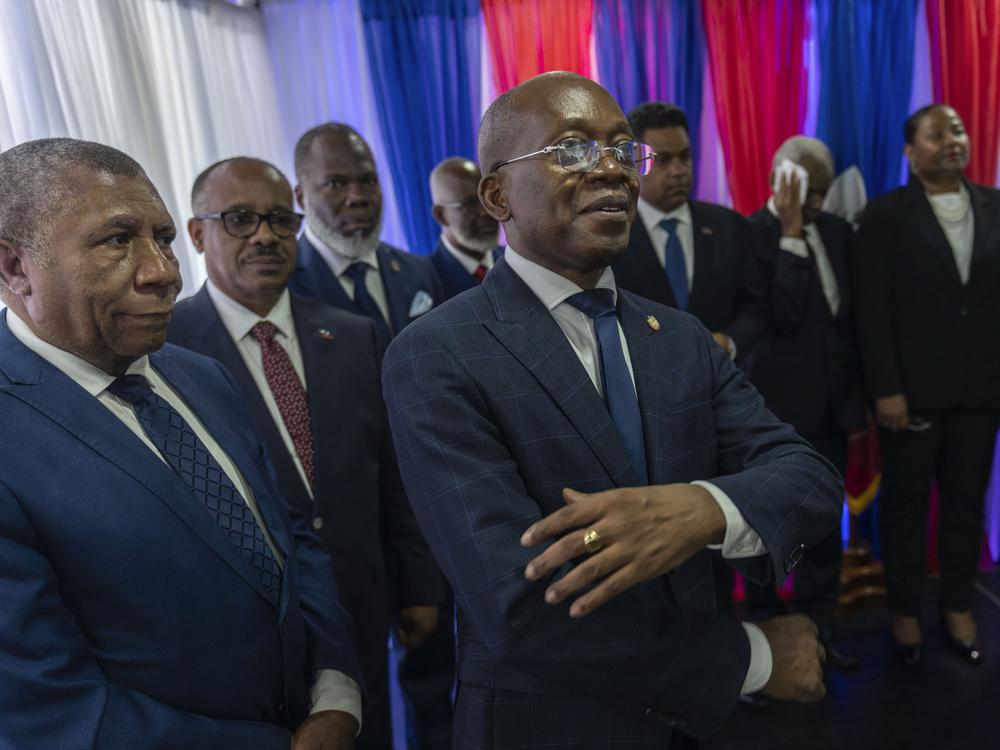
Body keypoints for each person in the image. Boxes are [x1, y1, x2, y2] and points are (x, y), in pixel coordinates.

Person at [381, 72, 842, 749]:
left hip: (693, 728)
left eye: (624, 152)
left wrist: (702, 508)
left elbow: (809, 477)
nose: (611, 170)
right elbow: (521, 608)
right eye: (571, 150)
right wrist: (755, 659)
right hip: (549, 727)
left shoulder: (680, 336)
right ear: (496, 193)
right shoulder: (434, 354)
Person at [0, 138, 362, 749]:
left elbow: (290, 537)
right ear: (14, 267)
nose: (164, 272)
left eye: (163, 238)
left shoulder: (201, 376)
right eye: (117, 240)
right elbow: (51, 711)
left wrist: (335, 690)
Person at [167, 157, 444, 749]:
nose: (265, 235)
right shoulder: (166, 348)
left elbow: (393, 473)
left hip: (364, 605)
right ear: (197, 234)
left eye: (278, 220)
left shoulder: (353, 334)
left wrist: (419, 583)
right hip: (250, 632)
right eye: (239, 219)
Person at [852, 104, 1000, 667]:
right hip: (909, 395)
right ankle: (905, 612)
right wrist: (885, 389)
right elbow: (872, 310)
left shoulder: (994, 206)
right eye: (936, 134)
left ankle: (959, 606)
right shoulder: (886, 215)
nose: (952, 140)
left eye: (958, 130)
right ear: (910, 152)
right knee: (907, 510)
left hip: (981, 393)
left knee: (966, 506)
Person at [745, 136, 867, 671]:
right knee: (767, 536)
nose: (817, 202)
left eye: (823, 190)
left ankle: (819, 634)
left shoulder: (839, 233)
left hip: (833, 414)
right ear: (779, 180)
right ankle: (770, 647)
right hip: (771, 418)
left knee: (823, 533)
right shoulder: (749, 235)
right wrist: (792, 232)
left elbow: (852, 328)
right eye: (806, 190)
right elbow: (784, 318)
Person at [610, 102, 767, 362]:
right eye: (664, 160)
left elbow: (755, 306)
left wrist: (729, 342)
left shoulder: (730, 225)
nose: (679, 171)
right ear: (633, 163)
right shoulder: (613, 230)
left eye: (685, 157)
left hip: (721, 383)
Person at [290, 123, 442, 348]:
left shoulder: (418, 270)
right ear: (302, 198)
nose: (357, 197)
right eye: (336, 184)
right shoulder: (284, 285)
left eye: (368, 181)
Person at [428, 157, 503, 301]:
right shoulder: (427, 280)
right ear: (441, 215)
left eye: (489, 199)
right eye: (471, 203)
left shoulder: (515, 262)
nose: (486, 212)